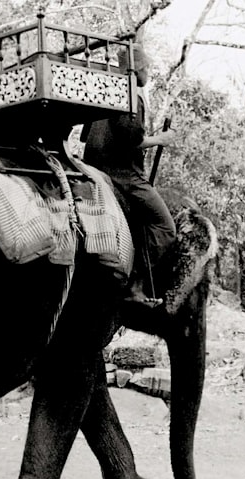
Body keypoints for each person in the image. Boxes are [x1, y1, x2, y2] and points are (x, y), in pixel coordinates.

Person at [83, 43, 178, 306]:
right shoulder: (130, 95)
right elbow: (132, 142)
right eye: (146, 67)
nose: (149, 73)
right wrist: (161, 138)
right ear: (137, 69)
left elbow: (87, 135)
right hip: (123, 175)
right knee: (165, 227)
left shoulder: (105, 91)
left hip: (91, 168)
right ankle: (135, 283)